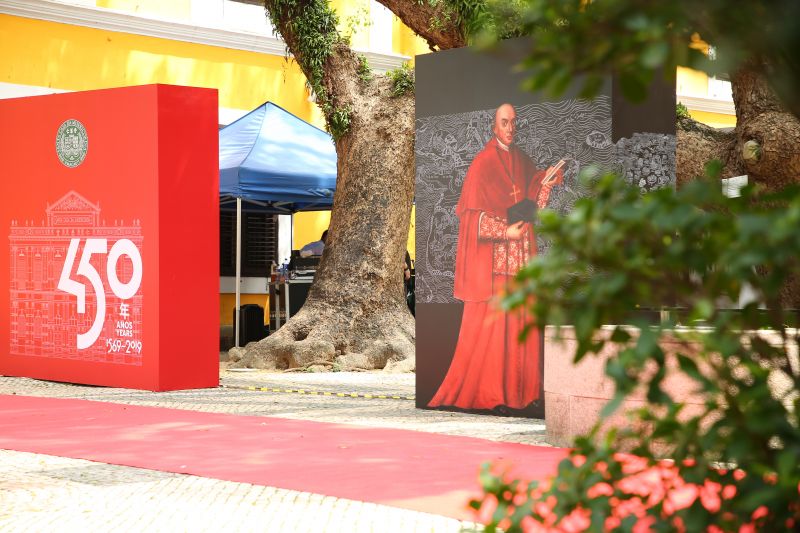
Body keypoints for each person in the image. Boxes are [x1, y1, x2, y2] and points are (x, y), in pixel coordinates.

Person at [428, 103, 563, 412]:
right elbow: (471, 218)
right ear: (494, 126)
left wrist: (545, 182)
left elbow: (532, 198)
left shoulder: (521, 159)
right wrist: (505, 232)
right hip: (495, 263)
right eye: (505, 122)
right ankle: (493, 395)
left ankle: (524, 393)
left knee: (521, 324)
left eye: (513, 122)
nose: (510, 128)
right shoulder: (482, 163)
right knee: (496, 330)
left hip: (521, 259)